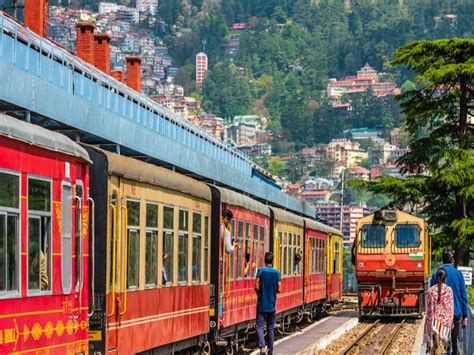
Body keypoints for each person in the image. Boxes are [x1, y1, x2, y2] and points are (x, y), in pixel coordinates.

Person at [430, 249, 469, 355]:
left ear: (442, 260)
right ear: (452, 260)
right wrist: (465, 316)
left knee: (443, 344)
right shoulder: (458, 274)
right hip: (456, 314)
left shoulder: (435, 274)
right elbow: (463, 297)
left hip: (440, 317)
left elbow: (432, 298)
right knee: (455, 341)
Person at [254, 252, 281, 354]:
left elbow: (256, 286)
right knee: (270, 328)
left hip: (261, 304)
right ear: (272, 261)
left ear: (264, 260)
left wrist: (260, 294)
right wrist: (274, 291)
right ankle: (270, 350)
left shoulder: (260, 271)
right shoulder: (277, 273)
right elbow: (279, 288)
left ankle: (262, 346)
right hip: (271, 304)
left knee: (260, 326)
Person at [424, 268, 454, 354]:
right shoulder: (449, 290)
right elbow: (450, 309)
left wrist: (427, 325)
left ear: (436, 277)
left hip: (433, 325)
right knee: (443, 350)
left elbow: (428, 309)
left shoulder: (430, 291)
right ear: (446, 278)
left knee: (433, 349)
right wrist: (451, 323)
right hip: (444, 326)